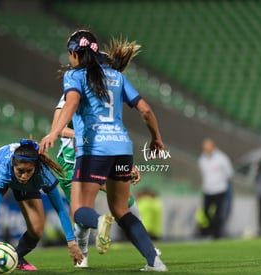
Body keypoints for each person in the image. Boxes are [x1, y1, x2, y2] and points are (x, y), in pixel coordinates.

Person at [40, 30, 167, 272]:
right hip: (122, 148)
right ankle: (155, 262)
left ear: (75, 54)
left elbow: (73, 102)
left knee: (79, 210)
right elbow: (146, 110)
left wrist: (54, 133)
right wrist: (156, 139)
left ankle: (99, 222)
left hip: (93, 149)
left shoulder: (74, 76)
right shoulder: (117, 77)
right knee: (121, 208)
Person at [0, 139, 82, 271]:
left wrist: (72, 243)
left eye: (29, 171)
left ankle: (16, 258)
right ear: (13, 164)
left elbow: (61, 210)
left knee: (37, 230)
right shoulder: (3, 170)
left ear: (35, 167)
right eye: (21, 171)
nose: (24, 176)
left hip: (27, 185)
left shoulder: (43, 174)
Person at [198, 138, 234, 239]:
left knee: (218, 213)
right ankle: (214, 228)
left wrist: (221, 181)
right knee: (205, 211)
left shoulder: (222, 158)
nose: (205, 149)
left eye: (207, 147)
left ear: (213, 146)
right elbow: (203, 174)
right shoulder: (202, 159)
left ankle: (216, 235)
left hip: (219, 189)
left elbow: (229, 173)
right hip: (207, 189)